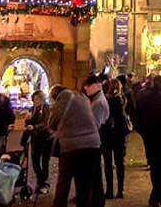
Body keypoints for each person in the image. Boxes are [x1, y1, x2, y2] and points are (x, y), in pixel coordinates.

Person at [49, 85, 101, 207]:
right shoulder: (82, 98)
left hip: (71, 147)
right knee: (85, 183)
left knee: (64, 183)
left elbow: (51, 123)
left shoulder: (61, 101)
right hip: (92, 145)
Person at [132, 75, 161, 207]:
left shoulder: (143, 99)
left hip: (150, 138)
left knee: (154, 166)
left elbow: (135, 118)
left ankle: (156, 194)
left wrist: (143, 133)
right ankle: (158, 194)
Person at [101, 78, 131, 199]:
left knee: (108, 164)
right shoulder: (122, 99)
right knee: (119, 163)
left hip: (107, 134)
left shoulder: (105, 101)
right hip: (119, 134)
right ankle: (120, 190)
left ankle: (109, 190)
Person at [83, 74, 110, 207]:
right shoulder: (96, 100)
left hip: (96, 141)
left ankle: (97, 199)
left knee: (95, 171)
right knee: (94, 171)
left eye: (87, 86)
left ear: (95, 86)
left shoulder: (98, 102)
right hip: (95, 140)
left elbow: (95, 124)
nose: (86, 89)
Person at [24, 90, 53, 194]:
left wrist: (35, 126)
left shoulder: (47, 108)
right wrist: (27, 120)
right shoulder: (33, 109)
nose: (35, 101)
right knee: (35, 161)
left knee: (45, 162)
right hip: (35, 138)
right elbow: (28, 125)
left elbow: (46, 123)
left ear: (41, 98)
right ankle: (41, 181)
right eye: (34, 99)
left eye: (37, 99)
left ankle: (44, 183)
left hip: (46, 139)